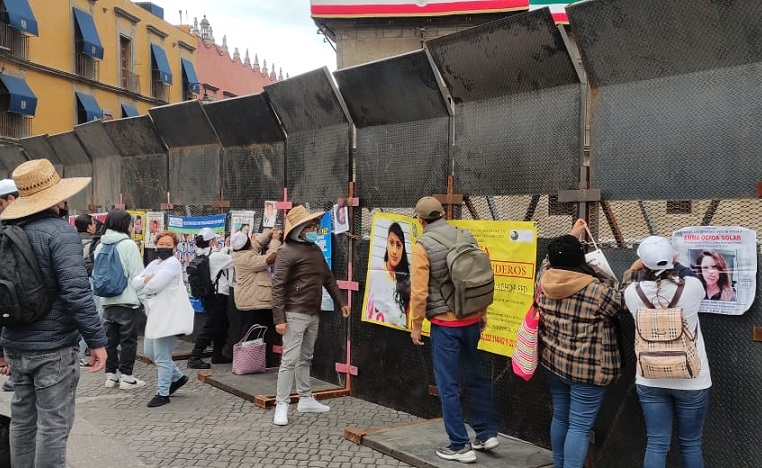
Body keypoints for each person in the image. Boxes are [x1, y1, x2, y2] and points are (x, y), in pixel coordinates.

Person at [0, 158, 107, 468]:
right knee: (53, 426)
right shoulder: (60, 233)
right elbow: (76, 292)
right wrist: (96, 341)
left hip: (16, 345)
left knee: (22, 420)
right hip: (54, 348)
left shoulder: (6, 232)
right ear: (56, 197)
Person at [409, 196, 498, 464]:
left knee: (448, 385)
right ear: (441, 214)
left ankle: (460, 445)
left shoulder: (422, 245)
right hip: (471, 321)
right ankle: (486, 433)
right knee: (475, 377)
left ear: (421, 220)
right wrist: (481, 313)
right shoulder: (464, 235)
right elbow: (477, 278)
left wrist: (415, 324)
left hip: (445, 326)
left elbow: (419, 291)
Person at [537, 219, 624, 468]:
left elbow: (548, 260)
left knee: (561, 418)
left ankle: (559, 464)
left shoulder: (544, 280)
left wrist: (571, 236)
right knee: (579, 426)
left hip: (554, 364)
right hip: (587, 370)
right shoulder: (596, 291)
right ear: (581, 262)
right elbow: (623, 303)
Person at [623, 236, 711, 468]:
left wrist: (638, 265)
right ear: (671, 258)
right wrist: (673, 260)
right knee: (691, 443)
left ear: (643, 262)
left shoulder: (632, 293)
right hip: (692, 378)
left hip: (650, 377)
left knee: (656, 443)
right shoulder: (692, 288)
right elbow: (685, 274)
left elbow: (628, 282)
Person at [271, 205, 350, 426]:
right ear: (299, 229)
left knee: (306, 357)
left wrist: (341, 302)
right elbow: (277, 286)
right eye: (311, 226)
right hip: (294, 313)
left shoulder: (314, 249)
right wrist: (279, 319)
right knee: (289, 360)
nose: (315, 228)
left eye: (315, 225)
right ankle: (281, 404)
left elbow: (328, 278)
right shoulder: (287, 251)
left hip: (312, 313)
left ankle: (305, 398)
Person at [132, 231, 190, 407]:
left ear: (175, 247)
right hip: (155, 315)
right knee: (150, 352)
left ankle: (162, 393)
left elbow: (152, 286)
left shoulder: (172, 264)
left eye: (168, 244)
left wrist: (146, 281)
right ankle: (178, 377)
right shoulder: (155, 263)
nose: (164, 247)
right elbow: (135, 282)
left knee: (162, 356)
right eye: (161, 244)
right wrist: (147, 281)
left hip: (168, 317)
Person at [95, 209, 147, 390]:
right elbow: (137, 276)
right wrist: (144, 301)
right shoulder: (128, 245)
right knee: (128, 341)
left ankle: (110, 376)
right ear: (125, 225)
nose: (132, 227)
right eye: (131, 223)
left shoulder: (100, 245)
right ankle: (127, 377)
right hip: (126, 301)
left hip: (107, 302)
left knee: (109, 341)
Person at [232, 228, 282, 368]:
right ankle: (248, 364)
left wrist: (267, 234)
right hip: (255, 302)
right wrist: (276, 241)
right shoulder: (248, 258)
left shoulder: (238, 253)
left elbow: (255, 244)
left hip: (249, 301)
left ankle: (254, 363)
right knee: (253, 336)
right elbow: (270, 258)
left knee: (250, 334)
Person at [187, 228, 235, 369]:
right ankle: (194, 357)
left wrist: (225, 247)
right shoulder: (215, 256)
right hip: (218, 296)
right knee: (211, 327)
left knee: (222, 325)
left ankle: (217, 354)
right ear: (212, 241)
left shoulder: (201, 255)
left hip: (209, 296)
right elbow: (235, 261)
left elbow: (219, 259)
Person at [365, 222, 411, 328]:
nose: (395, 251)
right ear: (386, 244)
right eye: (391, 243)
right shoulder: (375, 272)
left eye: (399, 245)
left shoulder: (407, 281)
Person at [74, 213, 101, 366]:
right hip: (91, 279)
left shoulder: (70, 239)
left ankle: (78, 351)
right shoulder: (96, 242)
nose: (95, 225)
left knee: (77, 315)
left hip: (74, 280)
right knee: (92, 315)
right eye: (93, 223)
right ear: (89, 226)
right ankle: (84, 350)